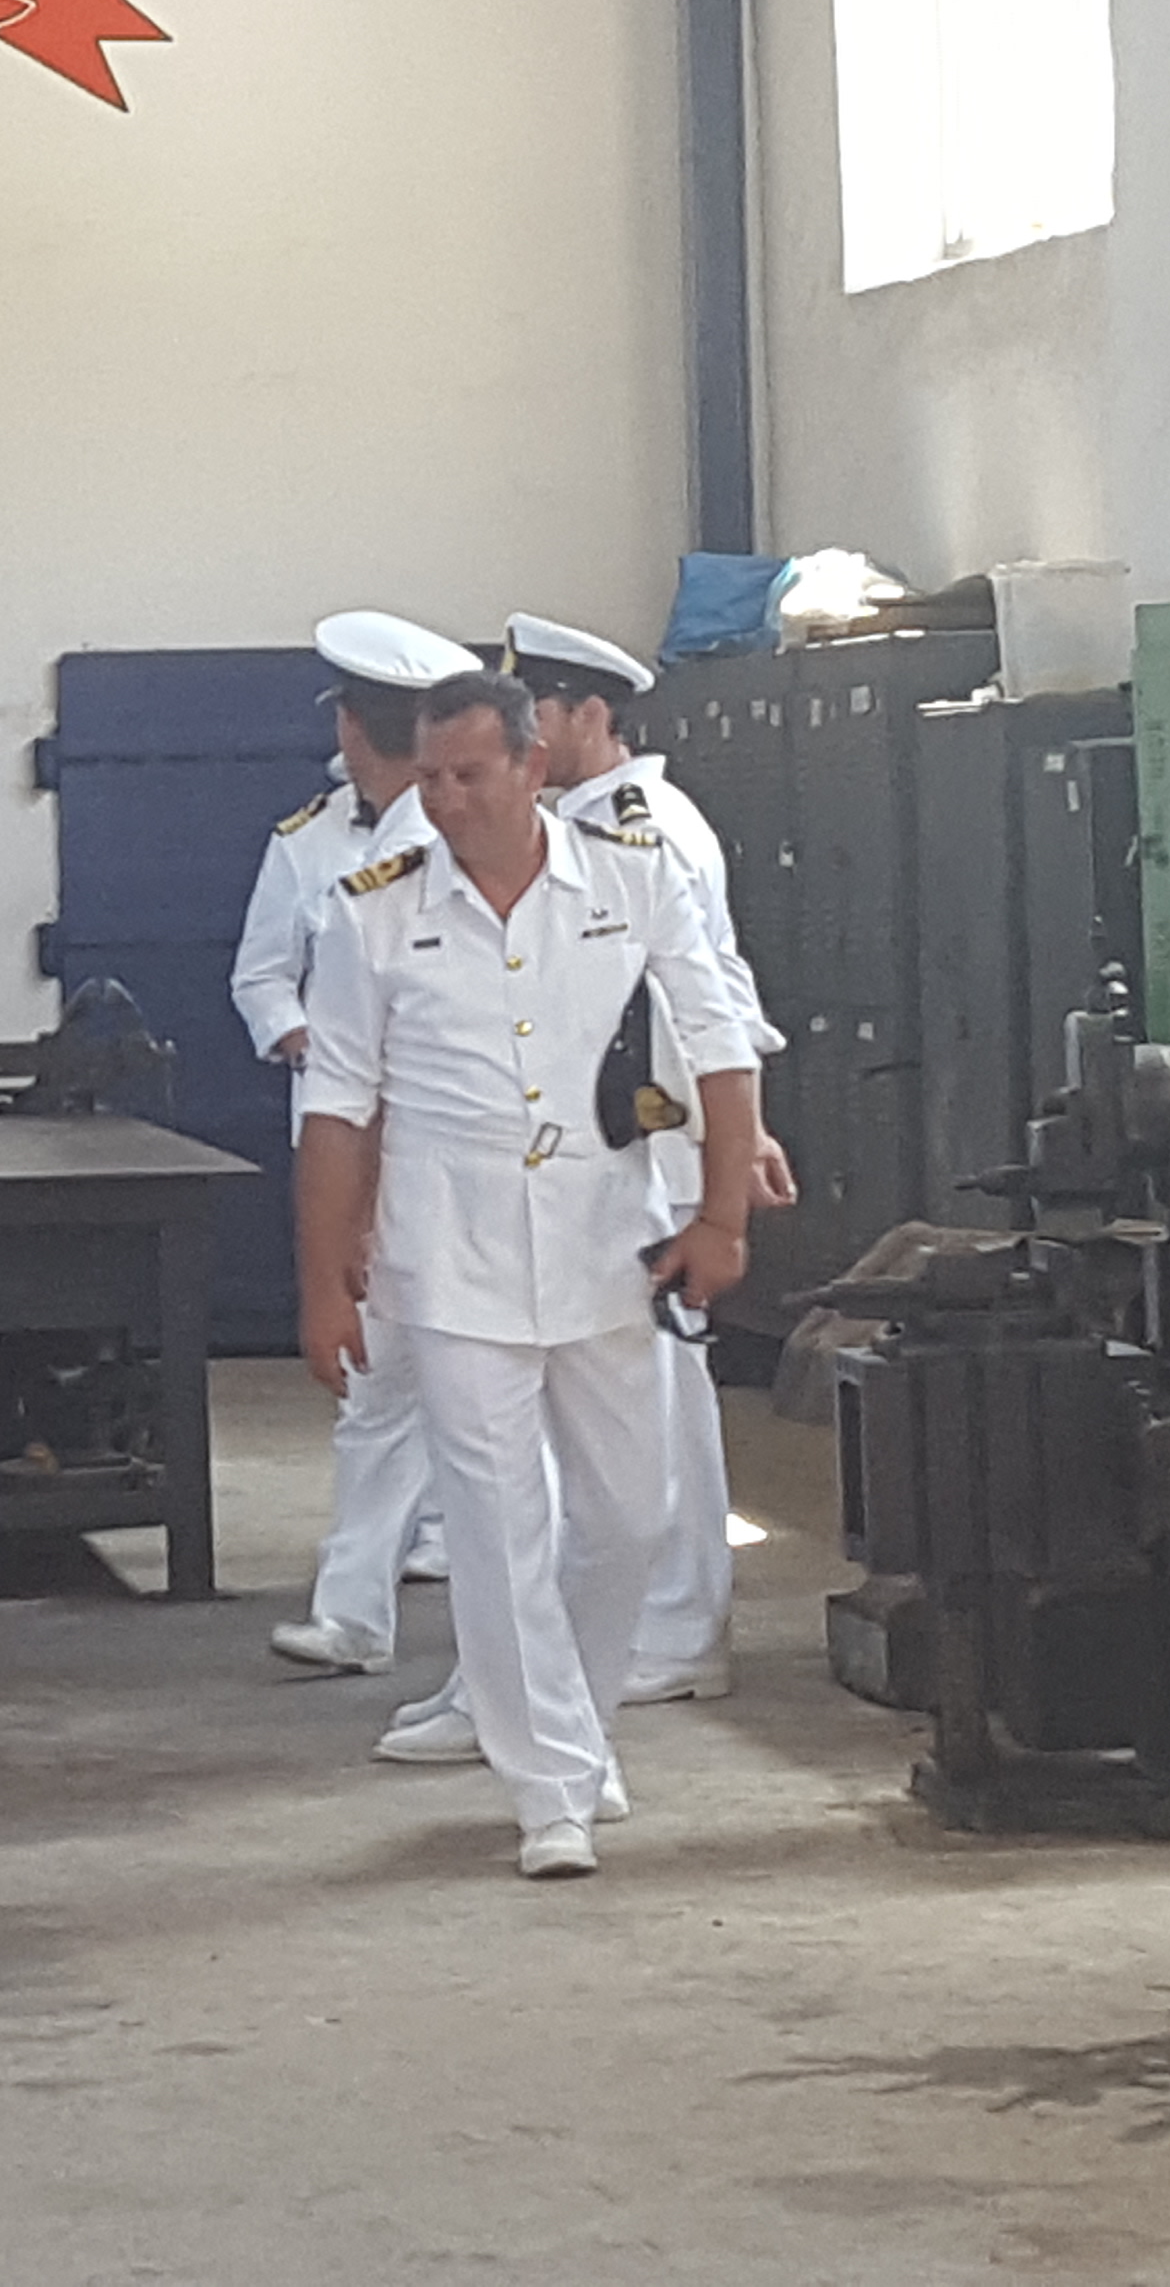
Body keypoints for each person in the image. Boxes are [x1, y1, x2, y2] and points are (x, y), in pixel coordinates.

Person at [292, 670, 762, 1878]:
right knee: (497, 1528)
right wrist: (323, 1283)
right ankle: (549, 1786)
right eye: (430, 779)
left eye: (468, 775)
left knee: (628, 1516)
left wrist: (720, 1218)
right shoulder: (372, 911)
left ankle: (577, 1727)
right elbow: (336, 1109)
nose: (444, 800)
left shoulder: (628, 875)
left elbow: (718, 1044)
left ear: (529, 767)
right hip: (448, 1261)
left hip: (608, 1244)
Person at [511, 611, 790, 1710]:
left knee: (663, 1396)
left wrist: (735, 1139)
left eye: (534, 714)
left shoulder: (641, 826)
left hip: (660, 1144)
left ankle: (678, 1628)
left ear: (589, 714)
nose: (523, 738)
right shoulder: (578, 821)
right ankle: (630, 1619)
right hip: (626, 1140)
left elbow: (703, 994)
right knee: (621, 1398)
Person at [236, 610, 479, 1678]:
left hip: (435, 1159)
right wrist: (299, 1036)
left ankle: (422, 1604)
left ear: (349, 723)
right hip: (354, 1140)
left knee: (465, 1399)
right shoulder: (313, 839)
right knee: (380, 1389)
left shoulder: (445, 845)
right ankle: (355, 1612)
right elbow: (264, 974)